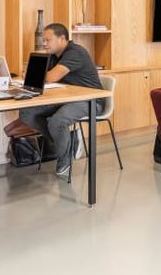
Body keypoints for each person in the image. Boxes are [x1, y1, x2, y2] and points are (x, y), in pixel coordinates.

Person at [19, 23, 103, 178]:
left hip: (91, 100)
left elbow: (51, 77)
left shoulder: (75, 52)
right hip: (68, 99)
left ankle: (65, 160)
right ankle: (68, 143)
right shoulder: (54, 56)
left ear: (62, 38)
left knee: (57, 121)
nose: (44, 43)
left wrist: (32, 74)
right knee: (27, 113)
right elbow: (40, 75)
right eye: (44, 40)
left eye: (48, 40)